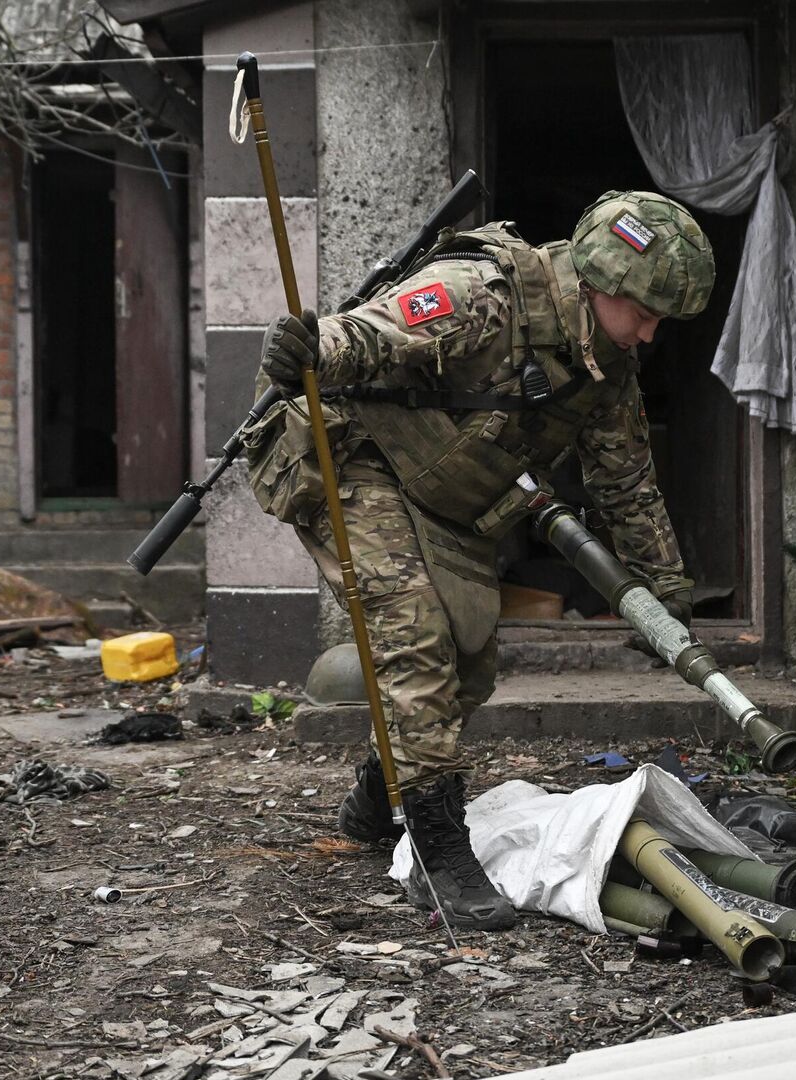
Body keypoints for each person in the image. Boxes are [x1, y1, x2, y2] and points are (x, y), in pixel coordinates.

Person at [246, 191, 713, 930]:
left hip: (446, 495)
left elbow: (625, 482)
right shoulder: (488, 297)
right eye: (645, 311)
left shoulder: (607, 369)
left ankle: (376, 796)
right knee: (417, 637)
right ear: (598, 282)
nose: (650, 333)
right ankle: (438, 854)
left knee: (469, 664)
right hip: (356, 459)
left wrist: (665, 594)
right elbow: (369, 335)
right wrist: (311, 346)